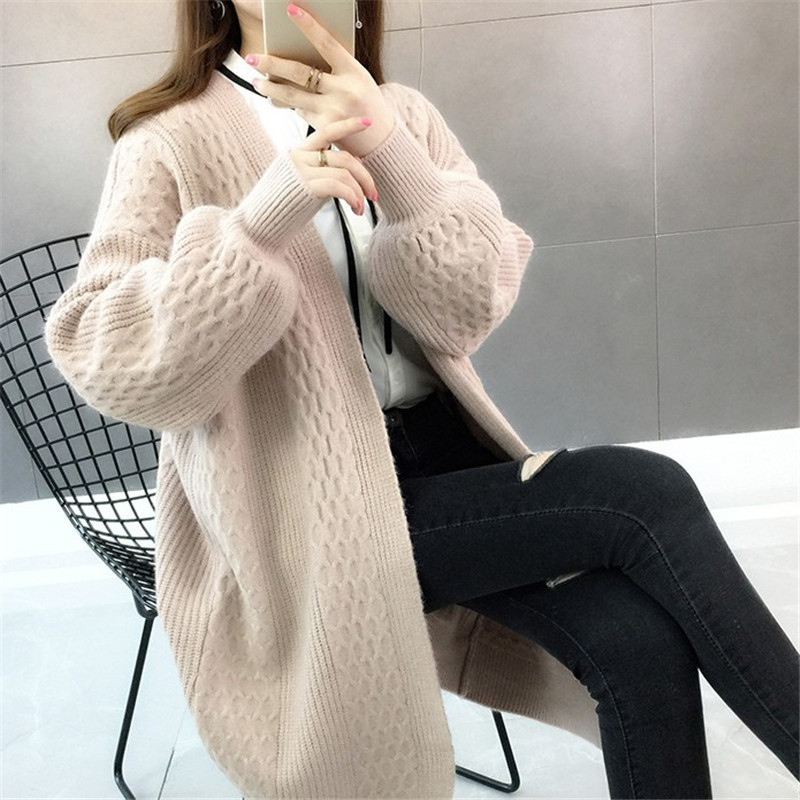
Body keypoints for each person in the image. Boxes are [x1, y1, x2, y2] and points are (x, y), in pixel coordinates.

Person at [44, 0, 799, 797]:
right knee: (645, 493)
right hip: (304, 499)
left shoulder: (401, 114)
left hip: (444, 458)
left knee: (635, 642)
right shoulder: (166, 140)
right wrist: (259, 222)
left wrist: (392, 151)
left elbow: (469, 307)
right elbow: (111, 359)